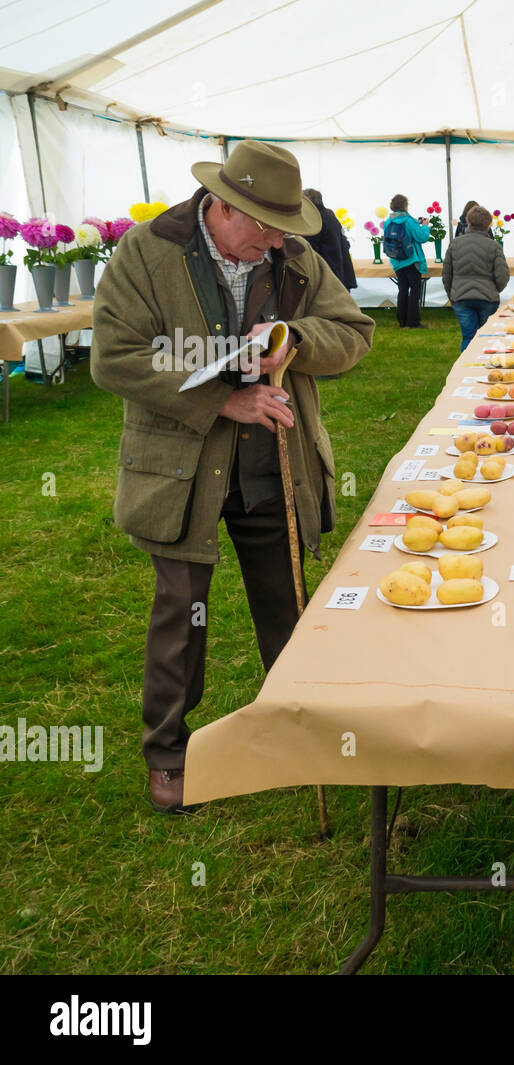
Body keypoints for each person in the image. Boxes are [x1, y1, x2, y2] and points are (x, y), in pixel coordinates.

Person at [89, 140, 375, 813]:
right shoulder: (146, 252)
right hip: (181, 469)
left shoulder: (294, 258)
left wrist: (297, 341)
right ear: (221, 207)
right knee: (181, 618)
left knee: (290, 604)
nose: (276, 241)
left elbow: (354, 330)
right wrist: (219, 398)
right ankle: (167, 754)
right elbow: (114, 357)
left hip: (274, 462)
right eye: (264, 225)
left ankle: (299, 725)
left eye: (284, 227)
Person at [443, 205, 509, 351]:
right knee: (487, 337)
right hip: (487, 298)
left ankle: (465, 371)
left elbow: (447, 274)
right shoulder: (494, 246)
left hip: (461, 298)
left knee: (468, 336)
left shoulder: (455, 244)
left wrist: (452, 295)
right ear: (488, 224)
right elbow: (502, 276)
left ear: (468, 222)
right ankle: (487, 368)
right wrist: (494, 290)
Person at [385, 194, 430, 328]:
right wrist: (426, 226)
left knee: (402, 289)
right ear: (405, 205)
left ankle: (402, 321)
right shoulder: (408, 221)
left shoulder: (389, 221)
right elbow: (422, 237)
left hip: (397, 260)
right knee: (415, 290)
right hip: (411, 260)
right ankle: (413, 322)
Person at [302, 188, 357, 290]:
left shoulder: (315, 220)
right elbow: (345, 243)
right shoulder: (330, 216)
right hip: (340, 274)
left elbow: (309, 249)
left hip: (327, 276)